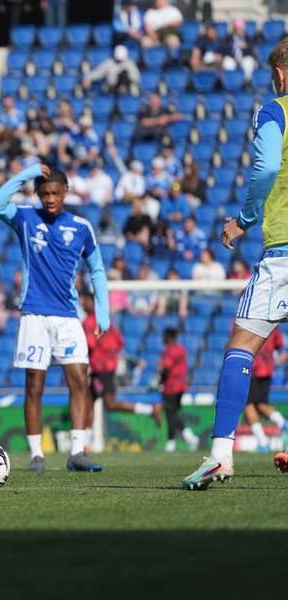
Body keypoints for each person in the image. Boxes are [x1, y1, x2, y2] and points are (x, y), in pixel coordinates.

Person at [182, 37, 288, 490]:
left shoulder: (275, 110)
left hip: (284, 250)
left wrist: (243, 220)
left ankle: (221, 455)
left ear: (280, 74)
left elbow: (265, 170)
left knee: (241, 345)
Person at [0, 164, 109, 474]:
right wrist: (25, 174)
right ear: (37, 194)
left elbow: (96, 269)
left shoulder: (81, 227)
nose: (50, 199)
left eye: (55, 193)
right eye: (44, 194)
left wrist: (102, 311)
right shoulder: (26, 218)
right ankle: (36, 455)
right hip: (34, 315)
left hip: (68, 317)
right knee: (34, 386)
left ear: (65, 192)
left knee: (80, 381)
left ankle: (78, 452)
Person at [82, 292, 161, 428]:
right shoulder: (106, 321)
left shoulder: (89, 322)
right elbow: (119, 341)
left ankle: (149, 409)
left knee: (108, 403)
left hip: (101, 369)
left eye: (84, 301)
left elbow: (90, 344)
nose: (82, 304)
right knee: (88, 401)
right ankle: (84, 439)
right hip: (106, 368)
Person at [244, 329, 288, 451]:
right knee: (261, 404)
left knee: (248, 405)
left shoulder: (248, 323)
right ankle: (283, 424)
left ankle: (263, 442)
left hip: (253, 370)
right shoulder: (273, 326)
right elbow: (282, 347)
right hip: (266, 370)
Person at [159, 328, 200, 453]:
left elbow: (166, 367)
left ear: (169, 337)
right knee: (173, 414)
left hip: (171, 387)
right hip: (180, 386)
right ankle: (186, 439)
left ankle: (174, 441)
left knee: (171, 414)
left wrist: (159, 380)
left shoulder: (169, 350)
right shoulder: (181, 349)